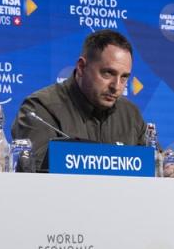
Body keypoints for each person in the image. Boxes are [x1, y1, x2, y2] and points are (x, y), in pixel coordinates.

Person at [11, 29, 147, 172]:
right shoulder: (40, 109)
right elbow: (35, 172)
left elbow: (155, 164)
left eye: (124, 77)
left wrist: (166, 168)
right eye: (108, 73)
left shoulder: (131, 115)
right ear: (82, 67)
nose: (116, 86)